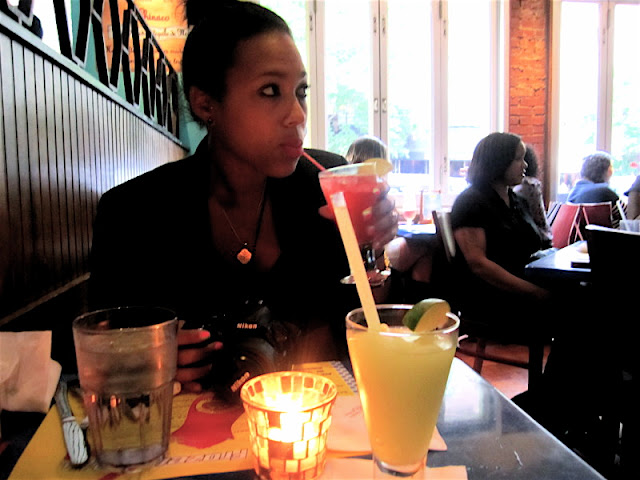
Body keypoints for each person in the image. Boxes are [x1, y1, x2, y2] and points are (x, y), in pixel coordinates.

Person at [88, 0, 398, 394]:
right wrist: (144, 363)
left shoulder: (325, 186)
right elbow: (101, 358)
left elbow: (364, 321)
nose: (298, 115)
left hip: (322, 416)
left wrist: (374, 250)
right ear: (205, 103)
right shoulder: (133, 213)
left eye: (300, 91)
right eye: (270, 91)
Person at [449, 132, 551, 337]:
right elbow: (479, 264)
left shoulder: (516, 201)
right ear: (498, 161)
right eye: (518, 159)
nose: (525, 165)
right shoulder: (471, 202)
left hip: (520, 289)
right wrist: (535, 291)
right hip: (493, 299)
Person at [513, 144, 553, 248]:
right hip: (541, 239)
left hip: (536, 244)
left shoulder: (526, 186)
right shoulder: (531, 185)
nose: (524, 165)